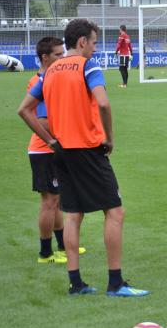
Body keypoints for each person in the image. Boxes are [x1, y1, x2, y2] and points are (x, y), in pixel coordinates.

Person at [18, 19, 149, 297]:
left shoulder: (50, 71)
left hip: (62, 152)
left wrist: (51, 140)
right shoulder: (87, 65)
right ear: (81, 42)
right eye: (93, 42)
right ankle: (115, 283)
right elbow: (103, 102)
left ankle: (75, 284)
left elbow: (24, 110)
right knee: (114, 211)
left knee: (73, 215)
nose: (95, 47)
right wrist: (110, 138)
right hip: (88, 149)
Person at [27, 37, 68, 264]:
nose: (62, 58)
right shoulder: (39, 80)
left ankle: (61, 247)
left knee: (56, 200)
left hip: (53, 149)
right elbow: (42, 121)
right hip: (44, 150)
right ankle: (45, 253)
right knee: (49, 202)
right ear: (45, 57)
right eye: (58, 55)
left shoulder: (51, 78)